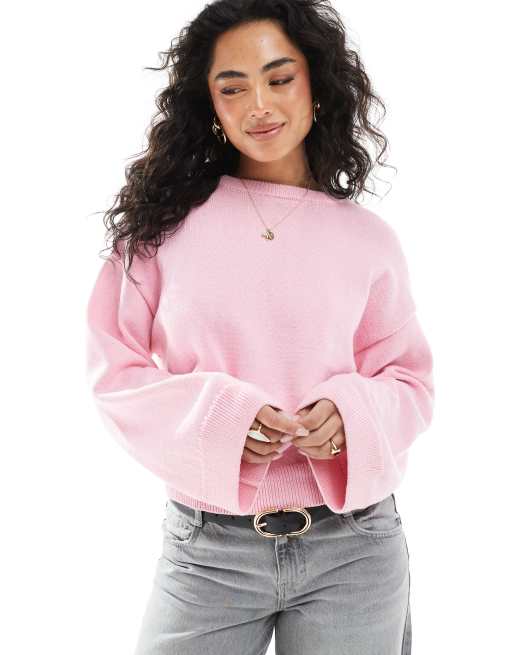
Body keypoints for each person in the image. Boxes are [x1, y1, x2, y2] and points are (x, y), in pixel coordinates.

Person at [85, 1, 435, 653]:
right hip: (207, 549)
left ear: (316, 85)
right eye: (232, 88)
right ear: (209, 104)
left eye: (279, 78)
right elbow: (114, 374)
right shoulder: (160, 232)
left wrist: (350, 415)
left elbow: (410, 382)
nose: (259, 105)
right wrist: (221, 421)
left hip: (356, 547)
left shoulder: (368, 239)